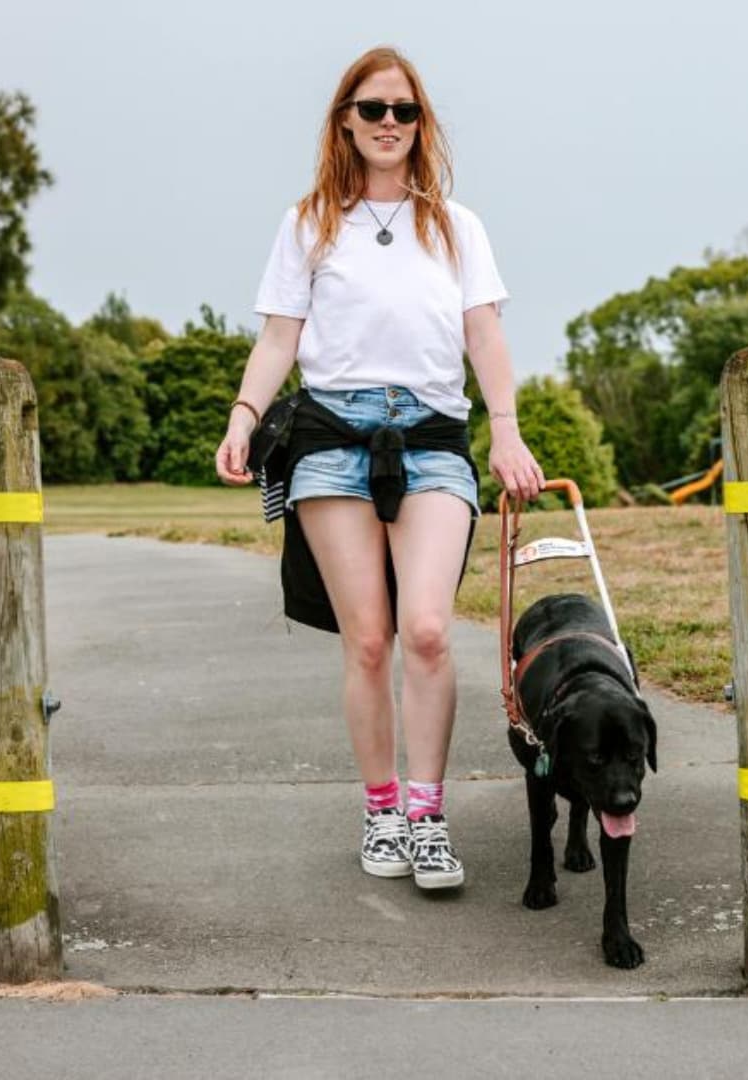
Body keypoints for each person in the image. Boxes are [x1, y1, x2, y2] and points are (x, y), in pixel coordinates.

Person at [215, 45, 543, 890]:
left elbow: (484, 334)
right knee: (367, 641)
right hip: (331, 437)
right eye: (372, 110)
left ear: (421, 123)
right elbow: (280, 336)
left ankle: (429, 818)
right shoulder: (309, 222)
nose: (389, 124)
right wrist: (245, 416)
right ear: (345, 122)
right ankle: (382, 810)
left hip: (432, 434)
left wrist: (505, 430)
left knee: (428, 631)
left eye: (404, 110)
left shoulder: (456, 225)